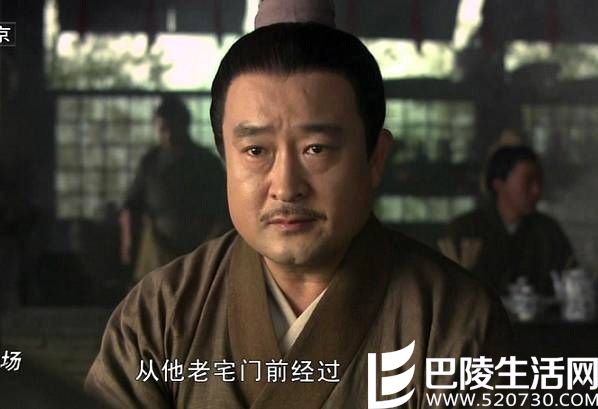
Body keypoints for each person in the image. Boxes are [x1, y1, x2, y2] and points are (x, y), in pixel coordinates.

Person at [86, 4, 512, 408]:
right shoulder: (160, 313)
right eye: (255, 151)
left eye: (316, 148)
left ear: (375, 158)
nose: (287, 187)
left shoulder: (452, 319)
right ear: (226, 161)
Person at [119, 96, 229, 282]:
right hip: (157, 252)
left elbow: (225, 208)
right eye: (163, 129)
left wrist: (212, 246)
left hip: (200, 252)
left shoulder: (206, 163)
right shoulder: (151, 162)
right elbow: (132, 205)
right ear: (156, 127)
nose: (169, 135)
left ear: (185, 125)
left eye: (173, 128)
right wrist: (128, 242)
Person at [442, 145, 575, 295]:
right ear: (499, 184)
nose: (536, 190)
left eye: (539, 181)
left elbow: (570, 274)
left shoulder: (548, 231)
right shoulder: (465, 229)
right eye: (528, 181)